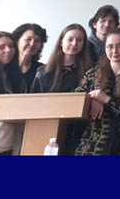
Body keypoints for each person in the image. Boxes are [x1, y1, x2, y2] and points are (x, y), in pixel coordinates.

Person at [30, 23, 92, 155]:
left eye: (79, 40)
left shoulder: (90, 73)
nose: (74, 44)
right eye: (70, 39)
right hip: (45, 130)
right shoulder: (43, 72)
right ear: (61, 41)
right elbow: (33, 104)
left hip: (78, 133)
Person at [12, 23, 48, 91]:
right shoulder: (4, 66)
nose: (32, 44)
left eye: (37, 41)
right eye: (28, 39)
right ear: (17, 41)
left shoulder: (42, 70)